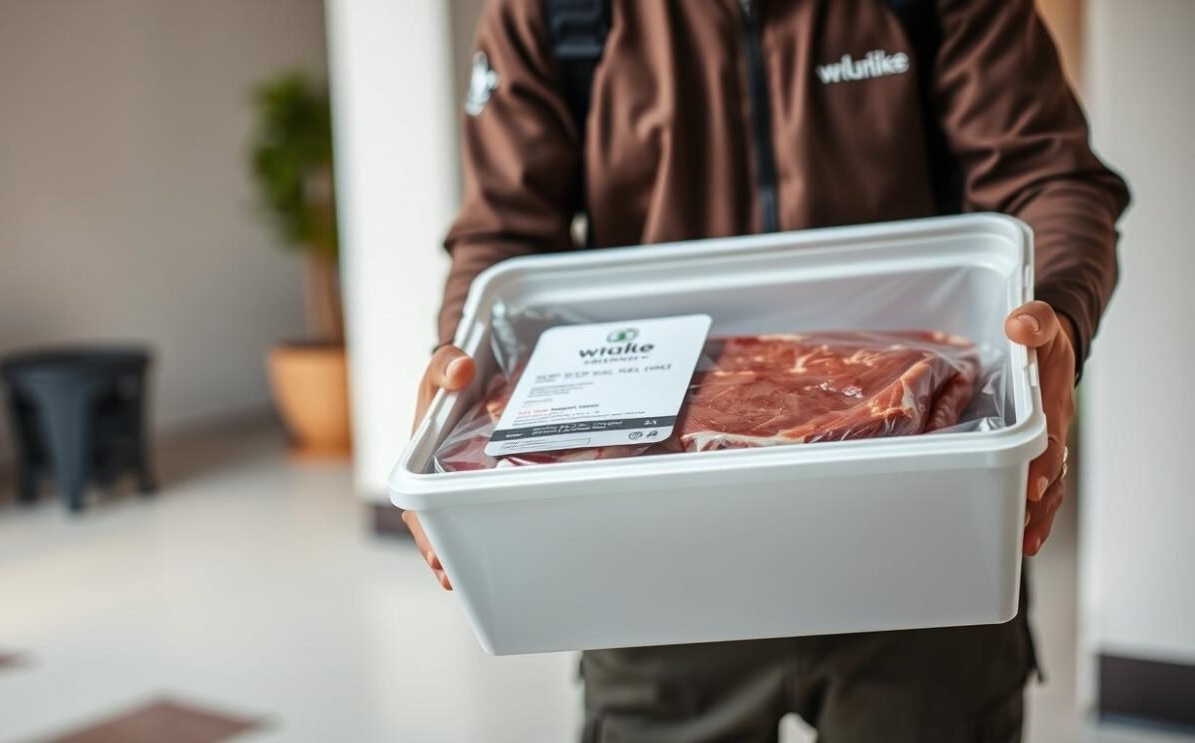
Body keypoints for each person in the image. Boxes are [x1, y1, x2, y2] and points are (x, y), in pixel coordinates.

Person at [405, 0, 1129, 740]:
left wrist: (1056, 319)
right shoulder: (553, 12)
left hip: (915, 534)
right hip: (655, 553)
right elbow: (505, 234)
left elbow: (1048, 174)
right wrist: (456, 376)